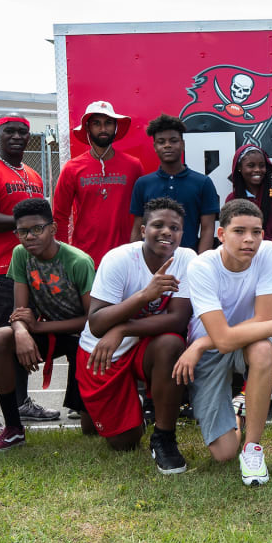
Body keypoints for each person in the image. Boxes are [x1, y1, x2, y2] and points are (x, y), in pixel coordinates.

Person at [172, 200, 272, 485]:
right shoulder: (201, 266)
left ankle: (252, 449)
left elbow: (262, 319)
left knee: (263, 349)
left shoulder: (267, 252)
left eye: (256, 232)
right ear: (221, 234)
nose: (249, 239)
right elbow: (223, 340)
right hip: (210, 351)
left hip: (241, 343)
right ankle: (238, 411)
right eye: (239, 231)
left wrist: (203, 342)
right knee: (224, 453)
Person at [77, 197, 195, 473]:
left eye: (175, 228)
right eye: (158, 225)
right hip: (104, 349)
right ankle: (132, 408)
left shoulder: (187, 259)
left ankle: (164, 438)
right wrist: (145, 295)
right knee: (124, 441)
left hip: (143, 342)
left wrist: (124, 328)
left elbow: (177, 319)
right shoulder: (118, 259)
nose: (167, 232)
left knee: (172, 344)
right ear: (143, 230)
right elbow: (96, 323)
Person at [0, 114, 59, 423]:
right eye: (10, 131)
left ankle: (20, 404)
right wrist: (29, 226)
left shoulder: (32, 174)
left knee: (22, 334)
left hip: (29, 270)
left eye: (22, 132)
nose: (17, 136)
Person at [0, 198, 96, 453]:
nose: (29, 237)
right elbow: (20, 310)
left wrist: (38, 328)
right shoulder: (20, 254)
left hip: (85, 338)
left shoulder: (78, 261)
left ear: (53, 229)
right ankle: (13, 428)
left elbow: (93, 319)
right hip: (51, 332)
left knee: (91, 428)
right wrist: (21, 331)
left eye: (37, 229)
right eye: (22, 231)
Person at [52, 100, 144, 266]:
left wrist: (136, 245)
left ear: (115, 127)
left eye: (108, 123)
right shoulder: (72, 168)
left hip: (125, 258)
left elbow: (143, 211)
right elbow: (60, 216)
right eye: (96, 123)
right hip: (84, 259)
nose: (103, 129)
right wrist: (63, 256)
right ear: (87, 128)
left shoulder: (133, 166)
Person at [130, 114, 219, 253]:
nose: (167, 145)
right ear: (155, 147)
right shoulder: (143, 184)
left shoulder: (203, 183)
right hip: (151, 260)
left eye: (173, 141)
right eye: (161, 142)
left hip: (189, 260)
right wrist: (135, 260)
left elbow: (207, 228)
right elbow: (137, 228)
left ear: (182, 144)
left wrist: (200, 262)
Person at [226, 143, 272, 252]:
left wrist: (267, 250)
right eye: (251, 165)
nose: (257, 170)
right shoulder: (232, 199)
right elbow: (231, 232)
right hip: (244, 253)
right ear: (239, 168)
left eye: (262, 165)